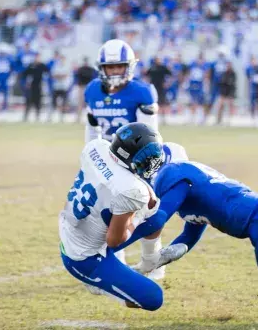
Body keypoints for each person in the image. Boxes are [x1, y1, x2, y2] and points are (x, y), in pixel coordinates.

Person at [123, 160, 258, 306]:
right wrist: (159, 258)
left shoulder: (174, 177)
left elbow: (159, 219)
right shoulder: (189, 193)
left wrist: (115, 243)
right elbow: (189, 236)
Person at [59, 123, 186, 311]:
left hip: (74, 229)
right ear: (129, 156)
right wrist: (138, 215)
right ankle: (99, 285)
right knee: (152, 298)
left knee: (156, 216)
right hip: (84, 258)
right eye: (147, 158)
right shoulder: (131, 189)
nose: (152, 163)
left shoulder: (96, 147)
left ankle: (150, 262)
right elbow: (114, 240)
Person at [84, 39, 161, 275]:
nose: (115, 71)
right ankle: (118, 266)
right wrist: (91, 158)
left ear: (128, 67)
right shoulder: (93, 90)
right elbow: (91, 129)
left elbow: (151, 133)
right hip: (108, 160)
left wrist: (144, 166)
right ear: (102, 68)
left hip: (136, 158)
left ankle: (153, 260)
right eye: (111, 67)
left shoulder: (141, 91)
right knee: (109, 213)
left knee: (148, 211)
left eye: (119, 66)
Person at [22, 52, 49, 122]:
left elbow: (48, 72)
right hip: (31, 86)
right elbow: (25, 74)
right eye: (36, 57)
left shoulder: (42, 65)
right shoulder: (31, 65)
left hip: (39, 86)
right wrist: (27, 82)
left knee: (38, 101)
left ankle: (37, 116)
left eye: (38, 57)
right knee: (29, 101)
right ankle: (26, 116)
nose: (37, 59)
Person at [76, 57, 96, 122]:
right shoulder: (80, 69)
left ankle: (92, 119)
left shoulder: (91, 69)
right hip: (81, 87)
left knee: (90, 103)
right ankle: (78, 118)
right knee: (80, 103)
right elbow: (77, 77)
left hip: (89, 87)